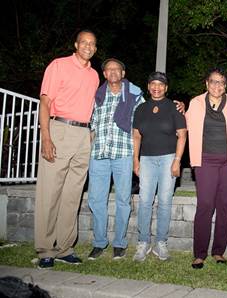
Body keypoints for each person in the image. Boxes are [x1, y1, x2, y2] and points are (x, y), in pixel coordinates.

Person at [34, 29, 99, 268]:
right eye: (84, 42)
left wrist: (89, 136)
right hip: (60, 128)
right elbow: (45, 102)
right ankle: (45, 249)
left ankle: (64, 247)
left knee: (72, 194)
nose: (88, 46)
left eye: (92, 44)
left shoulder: (94, 75)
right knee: (50, 192)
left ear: (95, 48)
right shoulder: (58, 65)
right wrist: (46, 137)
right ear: (76, 44)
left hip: (84, 134)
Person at [87, 58, 144, 261]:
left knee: (123, 200)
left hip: (123, 154)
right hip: (98, 154)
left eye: (117, 69)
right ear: (104, 74)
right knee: (95, 199)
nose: (112, 72)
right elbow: (91, 125)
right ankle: (99, 242)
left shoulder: (134, 96)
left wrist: (175, 107)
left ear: (123, 73)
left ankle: (119, 243)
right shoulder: (96, 96)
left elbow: (148, 115)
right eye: (109, 69)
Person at [186, 67, 227, 269]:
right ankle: (199, 254)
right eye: (213, 81)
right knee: (205, 206)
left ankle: (218, 251)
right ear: (206, 84)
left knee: (225, 206)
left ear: (225, 86)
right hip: (205, 161)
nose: (217, 85)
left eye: (221, 82)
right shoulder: (196, 103)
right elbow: (183, 124)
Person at [132, 72, 187, 261]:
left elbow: (182, 135)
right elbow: (137, 136)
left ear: (166, 88)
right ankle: (143, 242)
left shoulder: (174, 108)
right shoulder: (141, 109)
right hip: (146, 160)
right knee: (145, 201)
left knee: (165, 201)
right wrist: (136, 161)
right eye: (153, 84)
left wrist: (177, 161)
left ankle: (161, 243)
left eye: (161, 84)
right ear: (148, 87)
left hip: (168, 159)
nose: (157, 87)